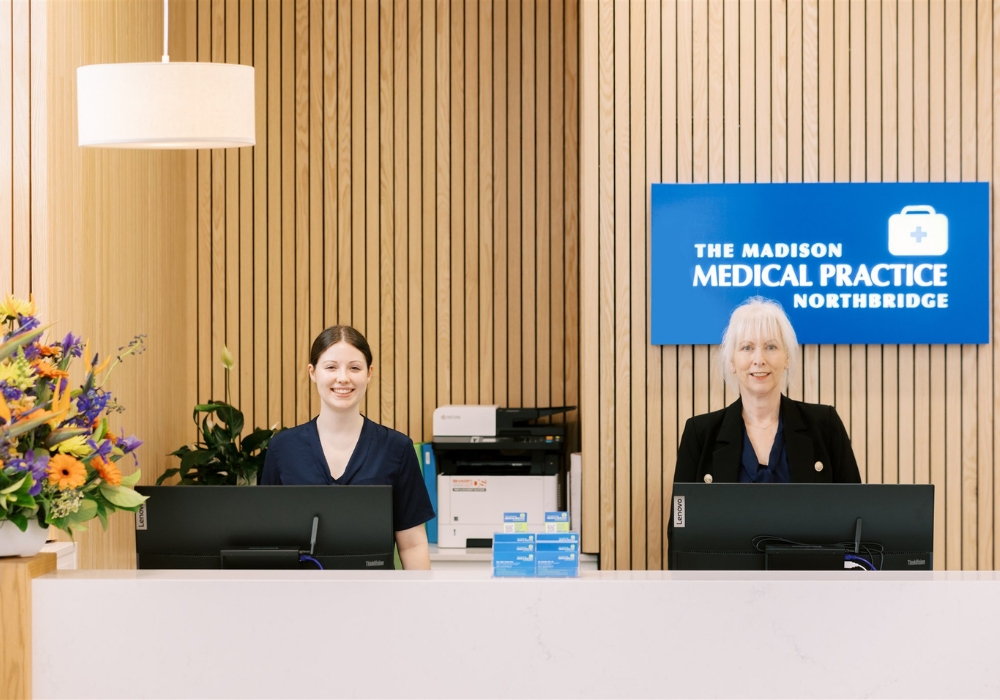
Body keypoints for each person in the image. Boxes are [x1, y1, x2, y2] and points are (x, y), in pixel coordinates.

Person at [260, 325, 435, 569]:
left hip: (377, 599)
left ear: (369, 373)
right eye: (331, 367)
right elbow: (265, 541)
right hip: (298, 599)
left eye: (354, 367)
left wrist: (420, 603)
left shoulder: (398, 448)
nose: (343, 378)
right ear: (313, 373)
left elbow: (413, 544)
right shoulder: (282, 448)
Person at [673, 296, 861, 484]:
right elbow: (681, 513)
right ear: (732, 361)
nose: (759, 359)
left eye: (771, 347)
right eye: (747, 348)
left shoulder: (825, 425)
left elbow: (855, 509)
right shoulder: (700, 434)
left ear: (786, 357)